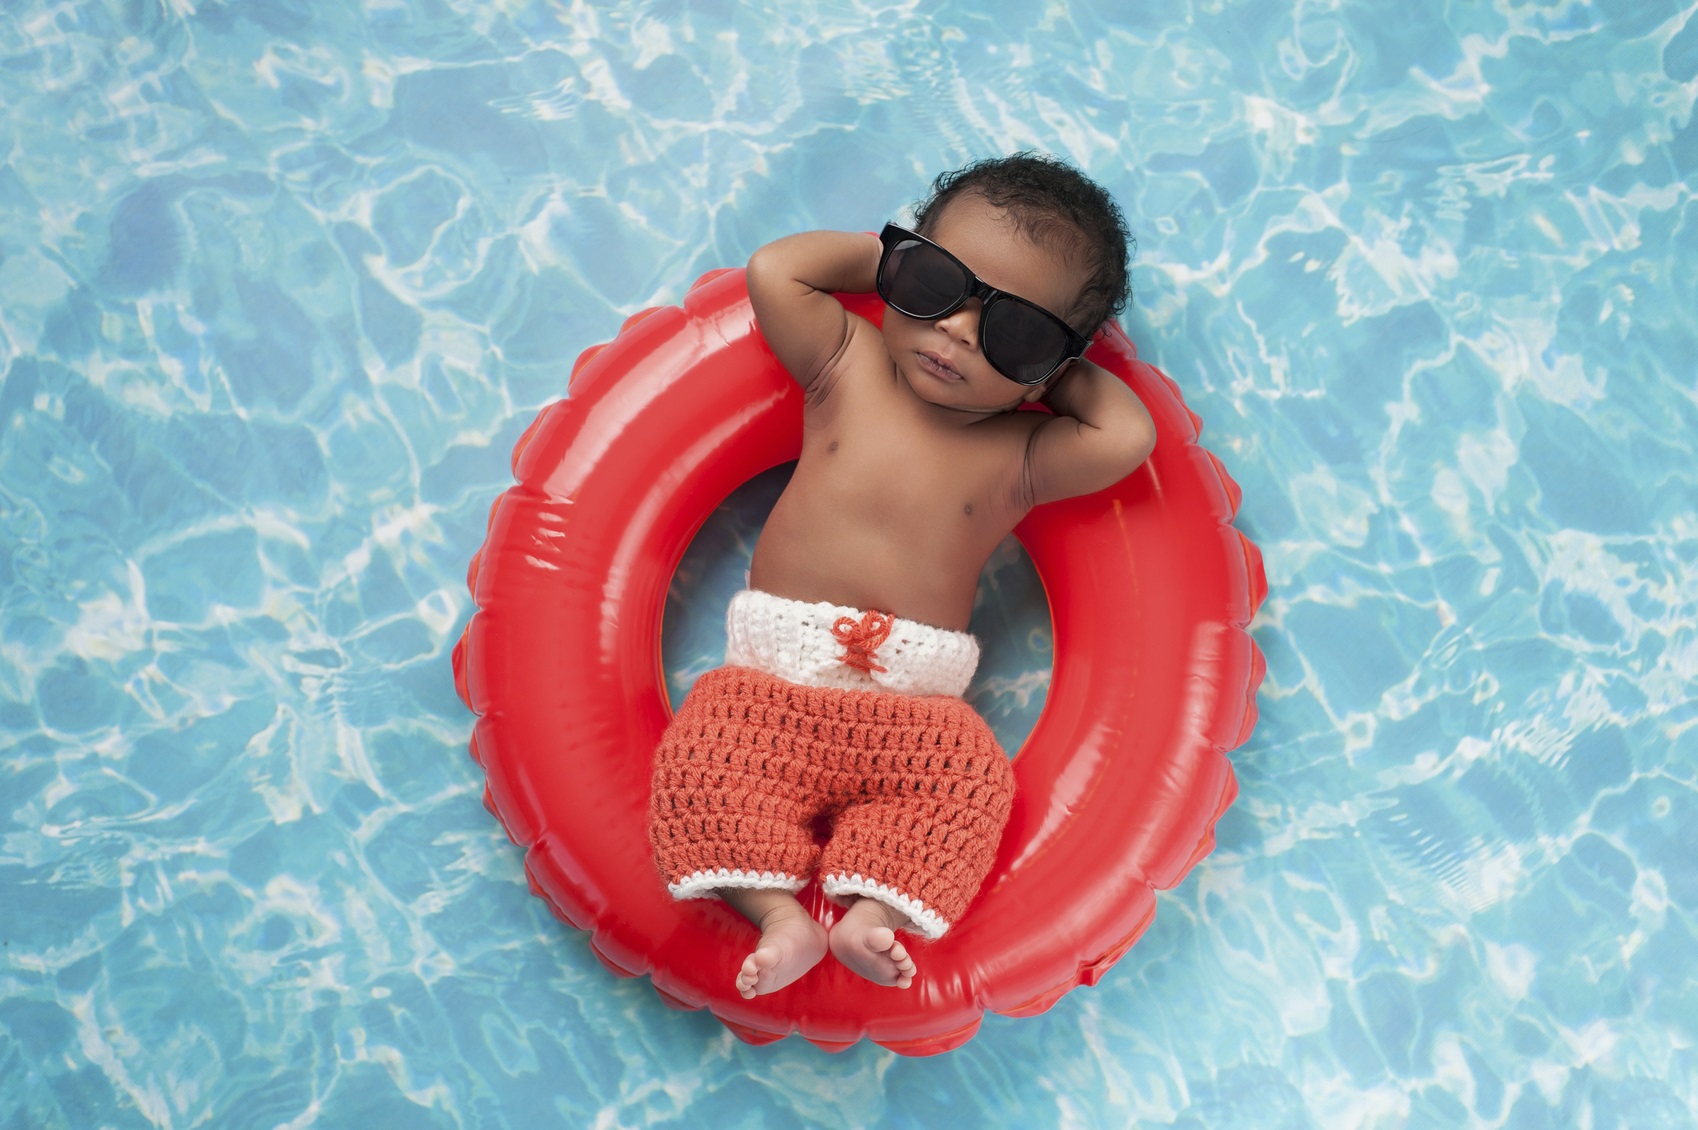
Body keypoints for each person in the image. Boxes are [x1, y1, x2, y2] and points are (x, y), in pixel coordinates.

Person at [648, 153, 1156, 999]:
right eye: (936, 284)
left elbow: (1125, 435)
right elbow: (779, 269)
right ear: (901, 267)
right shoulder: (844, 366)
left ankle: (869, 916)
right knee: (700, 763)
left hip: (915, 713)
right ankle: (781, 916)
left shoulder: (1018, 453)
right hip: (768, 686)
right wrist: (890, 261)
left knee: (972, 786)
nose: (958, 330)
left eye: (1015, 332)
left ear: (1049, 364)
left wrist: (1054, 367)